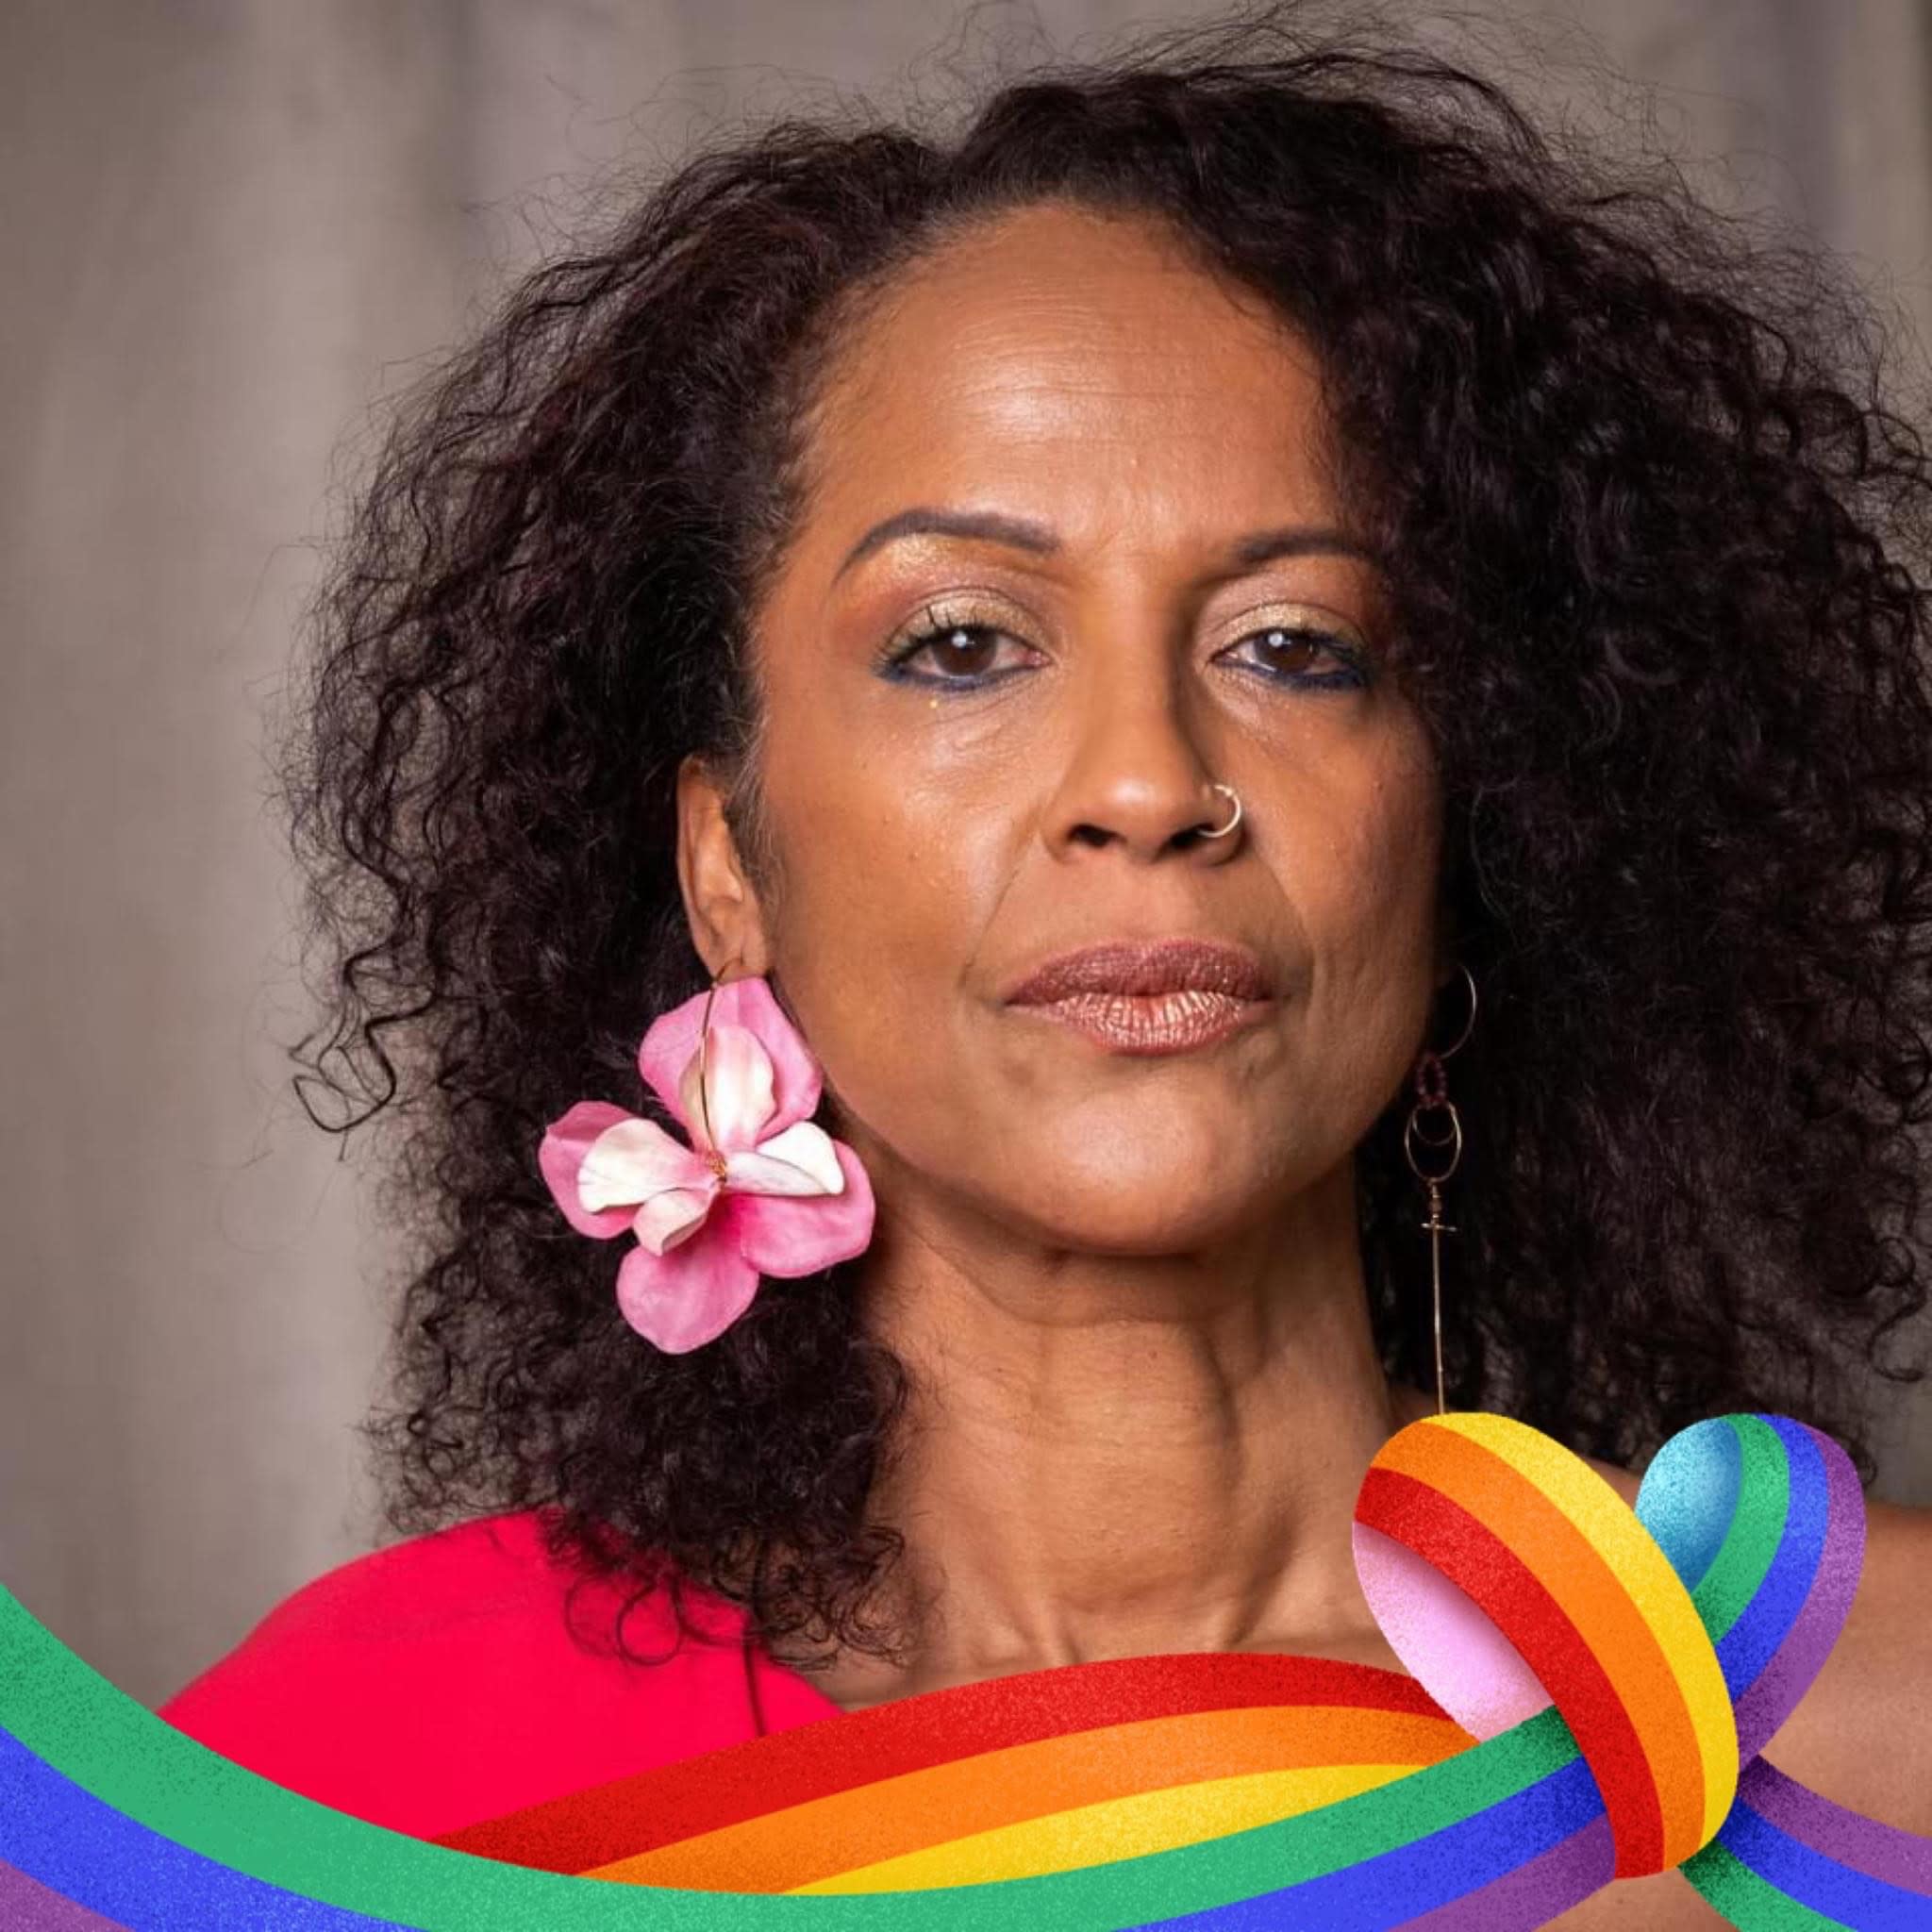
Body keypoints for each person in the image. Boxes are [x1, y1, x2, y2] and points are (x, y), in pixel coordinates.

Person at [158, 12, 1932, 1924]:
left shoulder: (1865, 1733)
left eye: (1294, 646)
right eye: (962, 646)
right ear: (728, 862)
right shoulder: (334, 1799)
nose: (1149, 783)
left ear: (1466, 826)